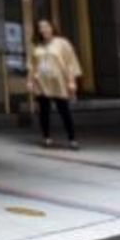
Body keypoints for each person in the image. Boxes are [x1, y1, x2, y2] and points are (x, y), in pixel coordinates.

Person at [28, 17, 81, 150]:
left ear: (52, 28)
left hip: (59, 82)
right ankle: (46, 138)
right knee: (44, 111)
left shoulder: (62, 43)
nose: (43, 29)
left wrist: (71, 81)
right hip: (42, 82)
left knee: (64, 110)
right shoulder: (37, 45)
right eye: (40, 27)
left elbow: (70, 62)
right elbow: (31, 65)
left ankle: (72, 139)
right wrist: (30, 81)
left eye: (46, 26)